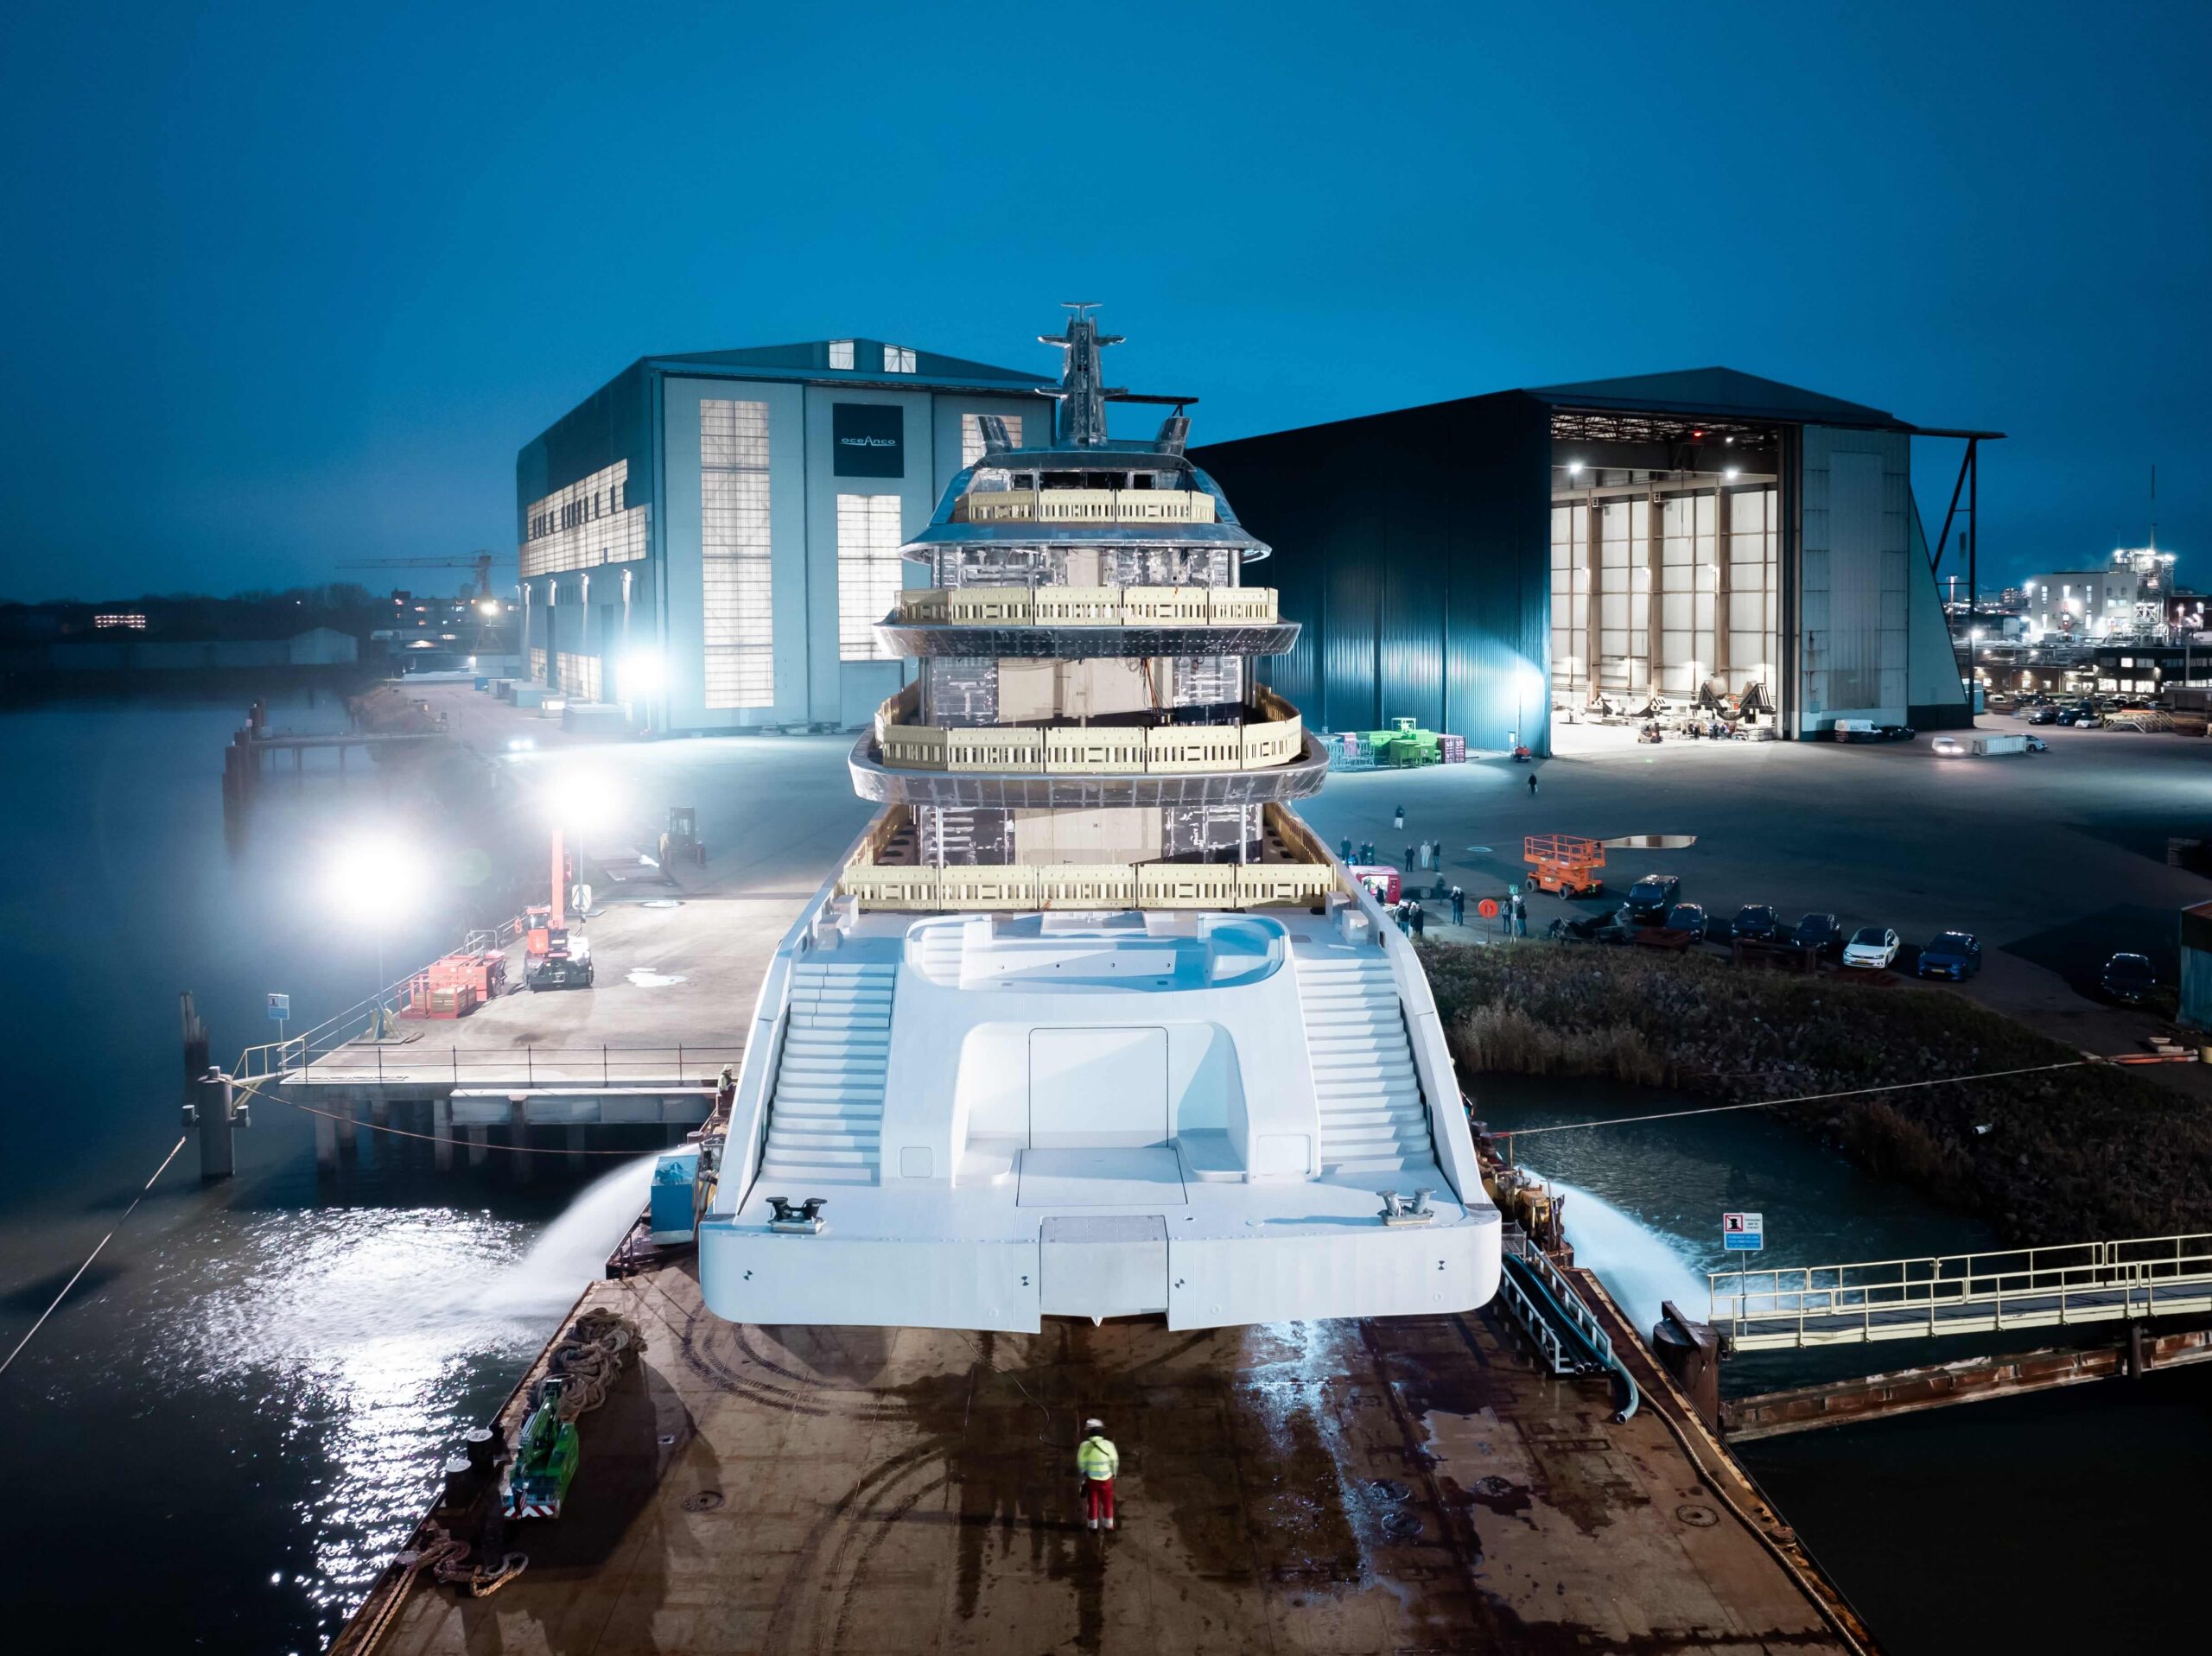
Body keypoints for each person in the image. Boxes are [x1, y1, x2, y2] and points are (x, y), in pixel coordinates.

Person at [1077, 1418, 1119, 1532]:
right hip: (1107, 1479)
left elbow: (1081, 1462)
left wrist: (1084, 1472)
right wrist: (1114, 1473)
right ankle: (1108, 1525)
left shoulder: (1084, 1446)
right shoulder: (1109, 1445)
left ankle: (1093, 1526)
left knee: (1092, 1502)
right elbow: (1114, 1460)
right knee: (1107, 1502)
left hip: (1092, 1480)